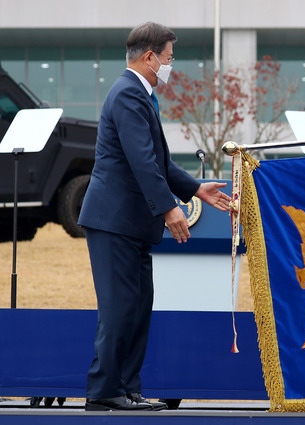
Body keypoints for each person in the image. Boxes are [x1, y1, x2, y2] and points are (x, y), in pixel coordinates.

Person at [78, 21, 231, 411]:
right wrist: (169, 208)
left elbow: (159, 161)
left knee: (137, 306)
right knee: (119, 307)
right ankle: (103, 391)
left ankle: (127, 388)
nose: (170, 65)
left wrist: (196, 188)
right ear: (149, 58)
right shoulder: (129, 93)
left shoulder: (139, 94)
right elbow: (142, 162)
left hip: (130, 224)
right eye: (168, 58)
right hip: (114, 221)